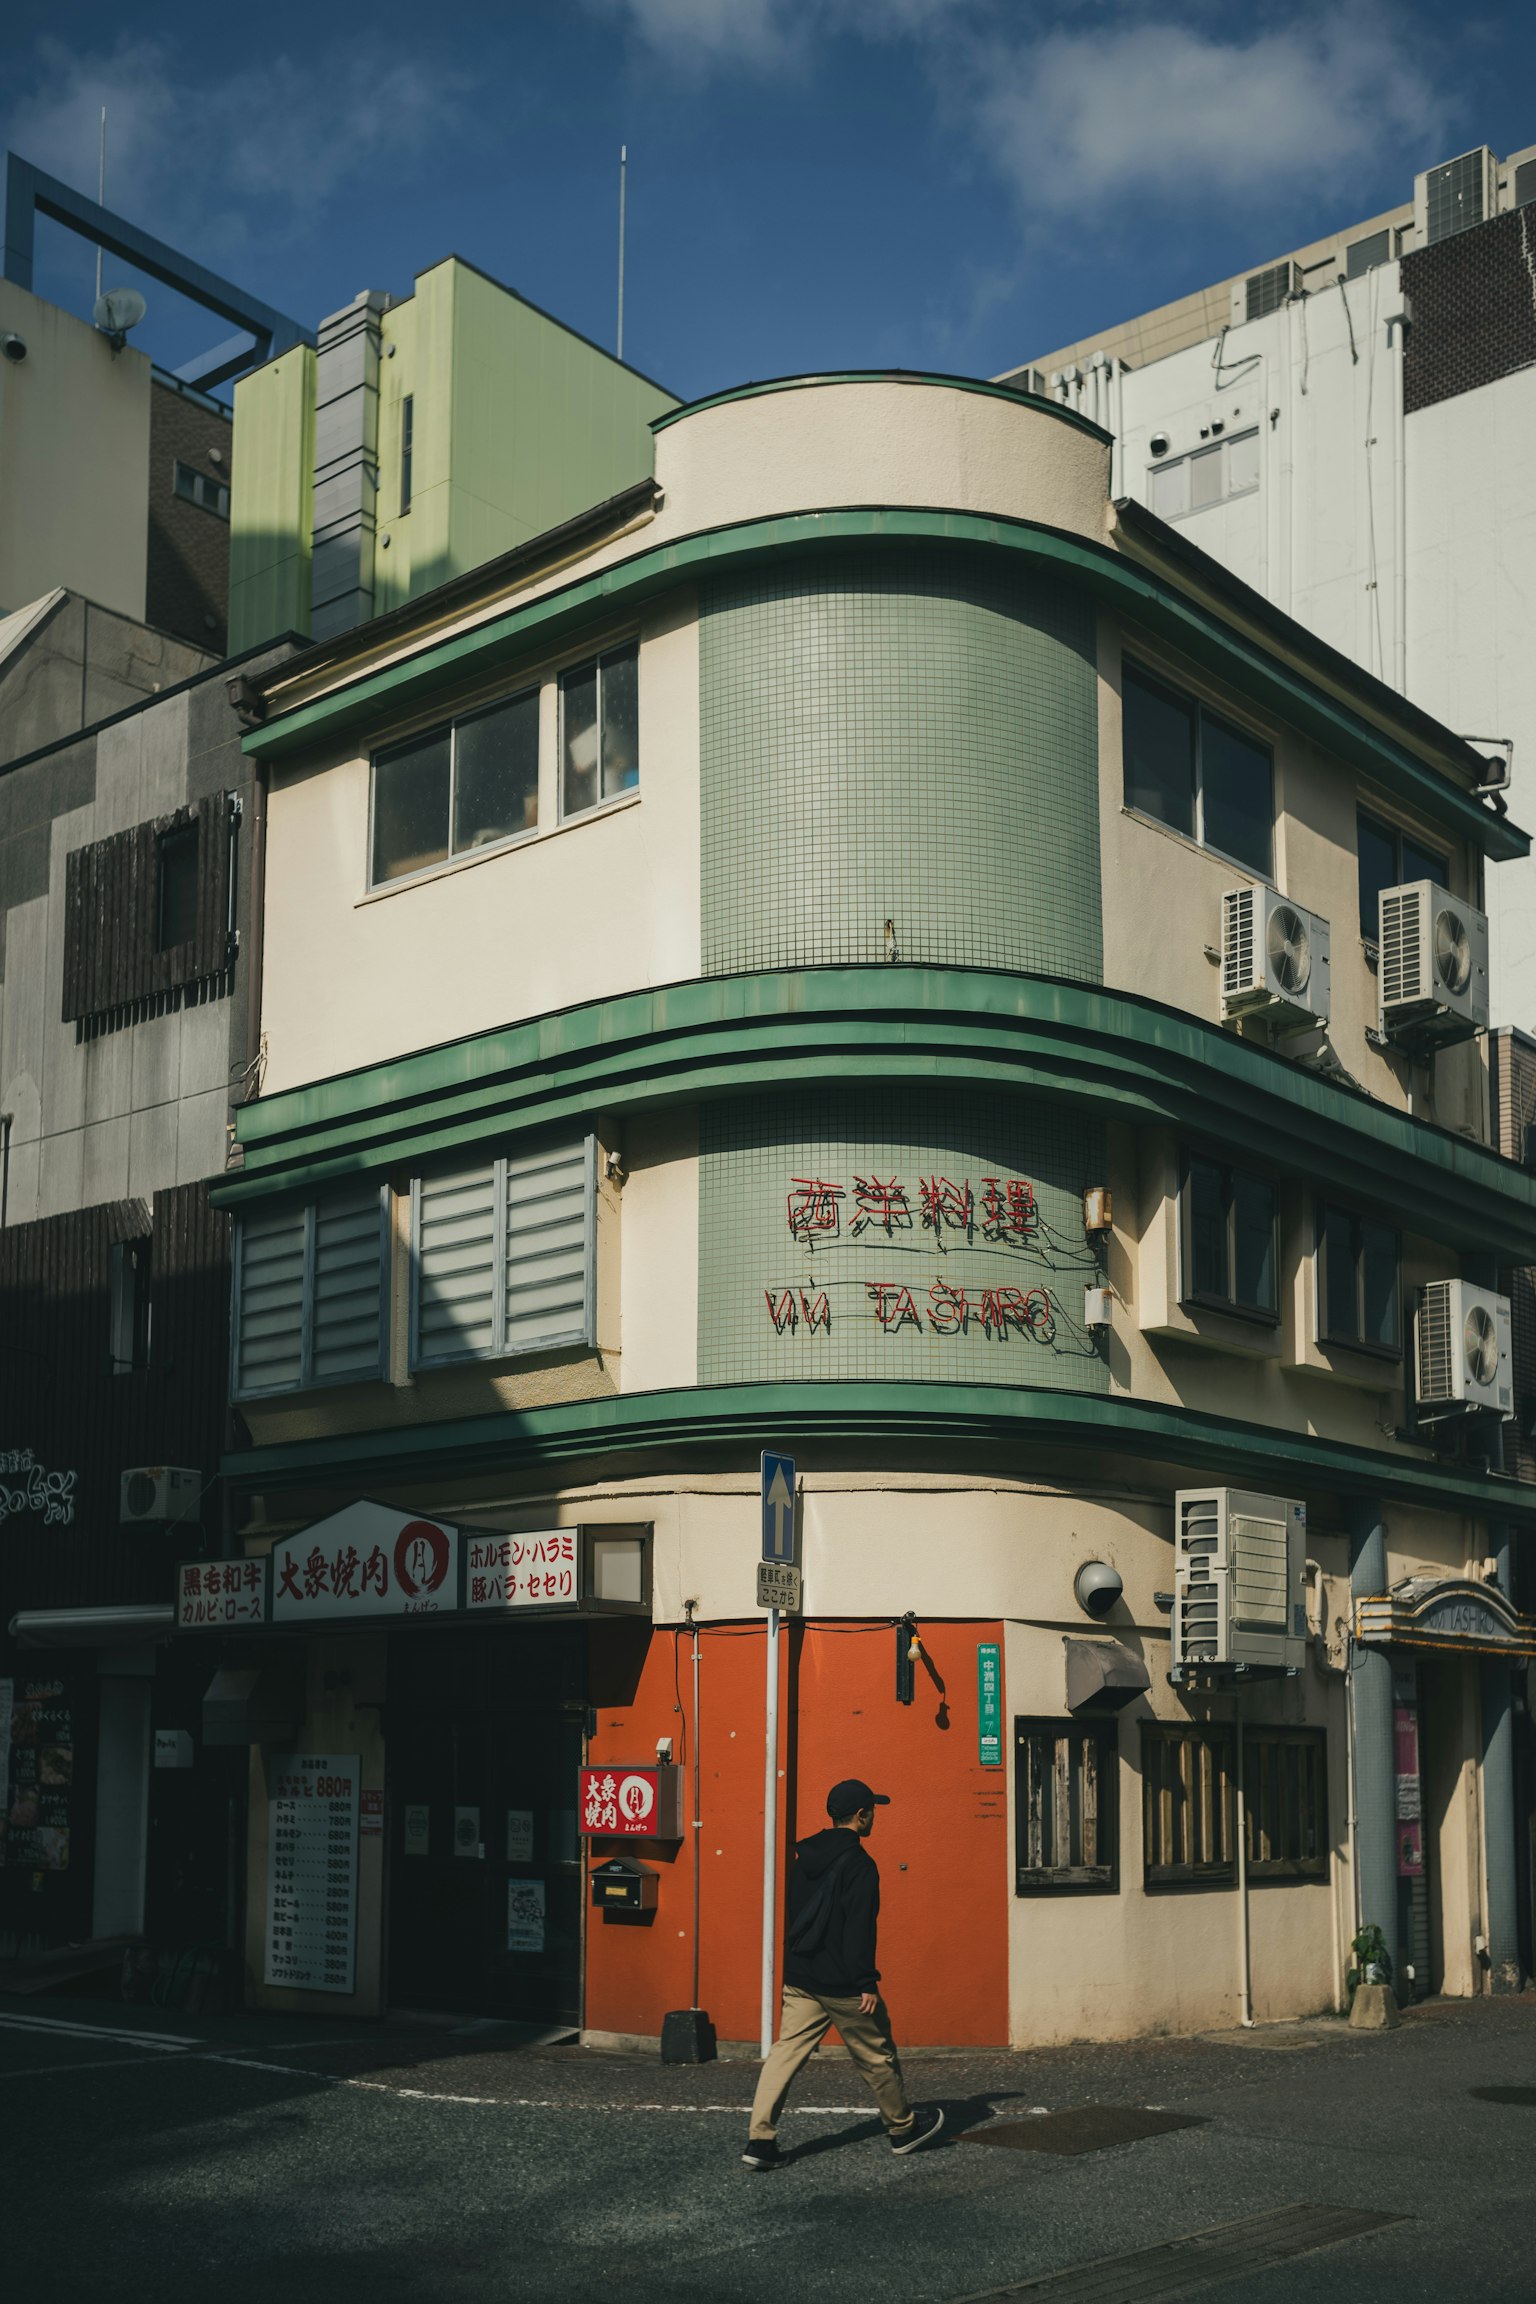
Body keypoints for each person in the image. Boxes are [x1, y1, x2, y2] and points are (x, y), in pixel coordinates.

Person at [742, 1777, 944, 2169]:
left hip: (801, 1976)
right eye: (872, 1811)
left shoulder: (806, 1855)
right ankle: (903, 2129)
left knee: (784, 2055)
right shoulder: (860, 1864)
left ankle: (760, 2142)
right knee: (876, 2055)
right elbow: (859, 1929)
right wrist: (865, 1981)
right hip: (843, 1983)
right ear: (860, 1815)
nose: (874, 1818)